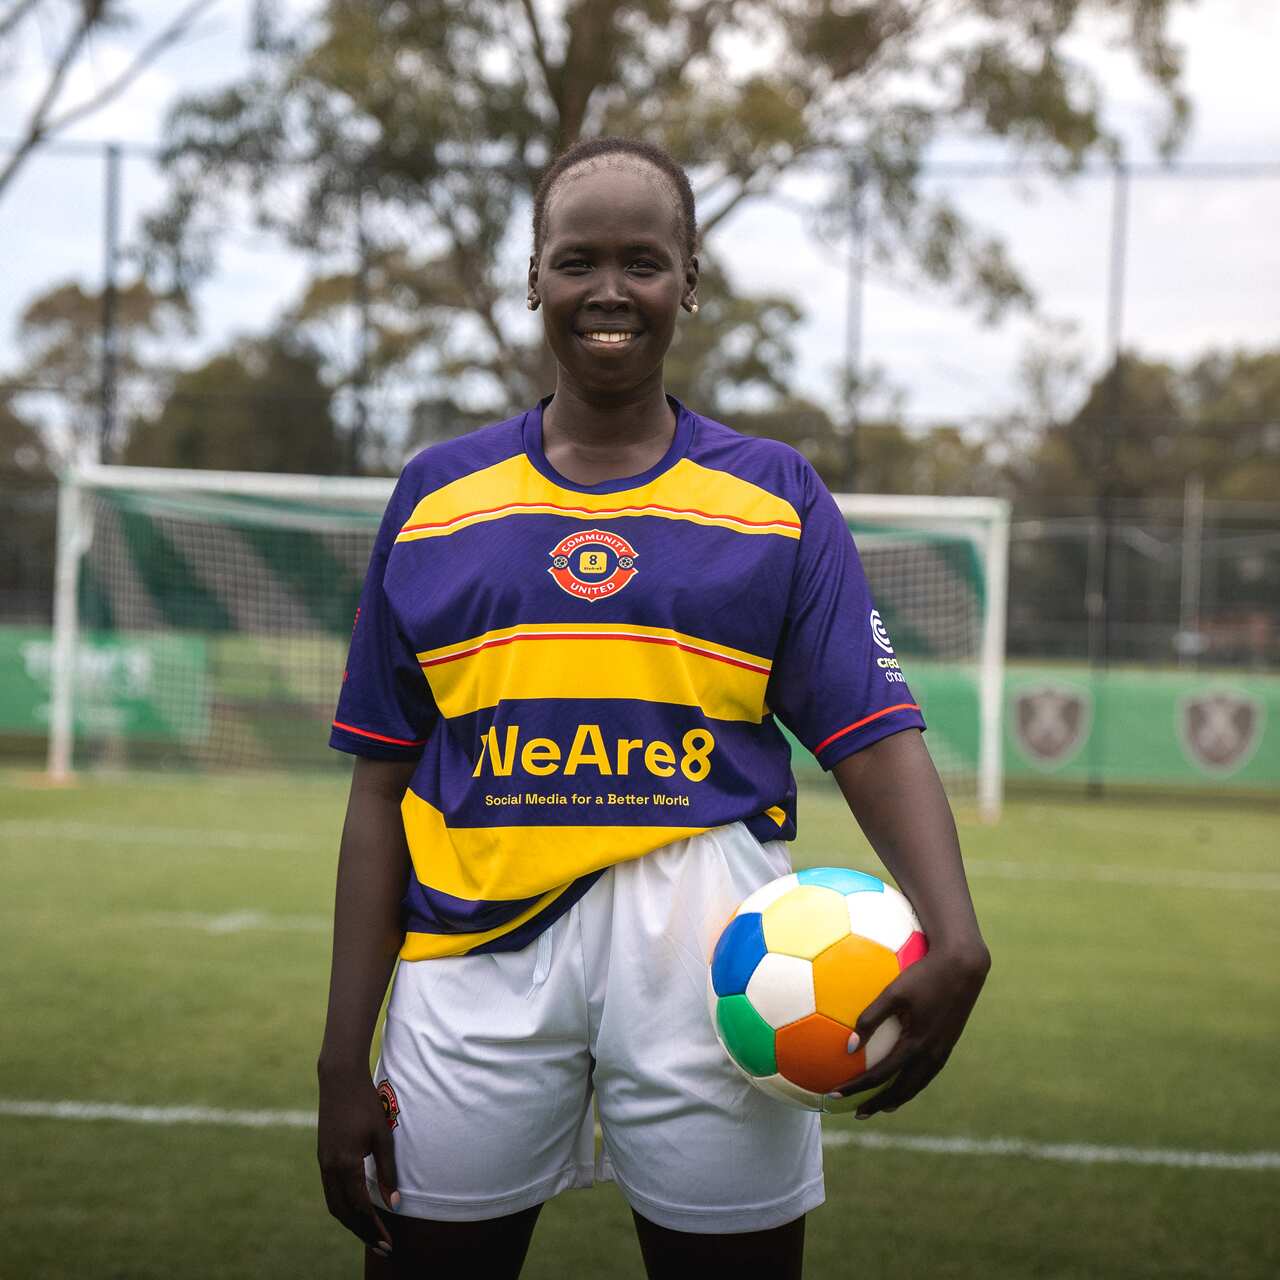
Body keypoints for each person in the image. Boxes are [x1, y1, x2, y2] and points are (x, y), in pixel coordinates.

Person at [317, 136, 990, 1279]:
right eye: (578, 260)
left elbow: (869, 733)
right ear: (534, 275)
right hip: (470, 949)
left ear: (690, 277)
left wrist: (955, 927)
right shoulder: (436, 497)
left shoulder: (773, 495)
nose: (609, 291)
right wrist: (342, 1054)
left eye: (644, 259)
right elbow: (381, 781)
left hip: (714, 945)